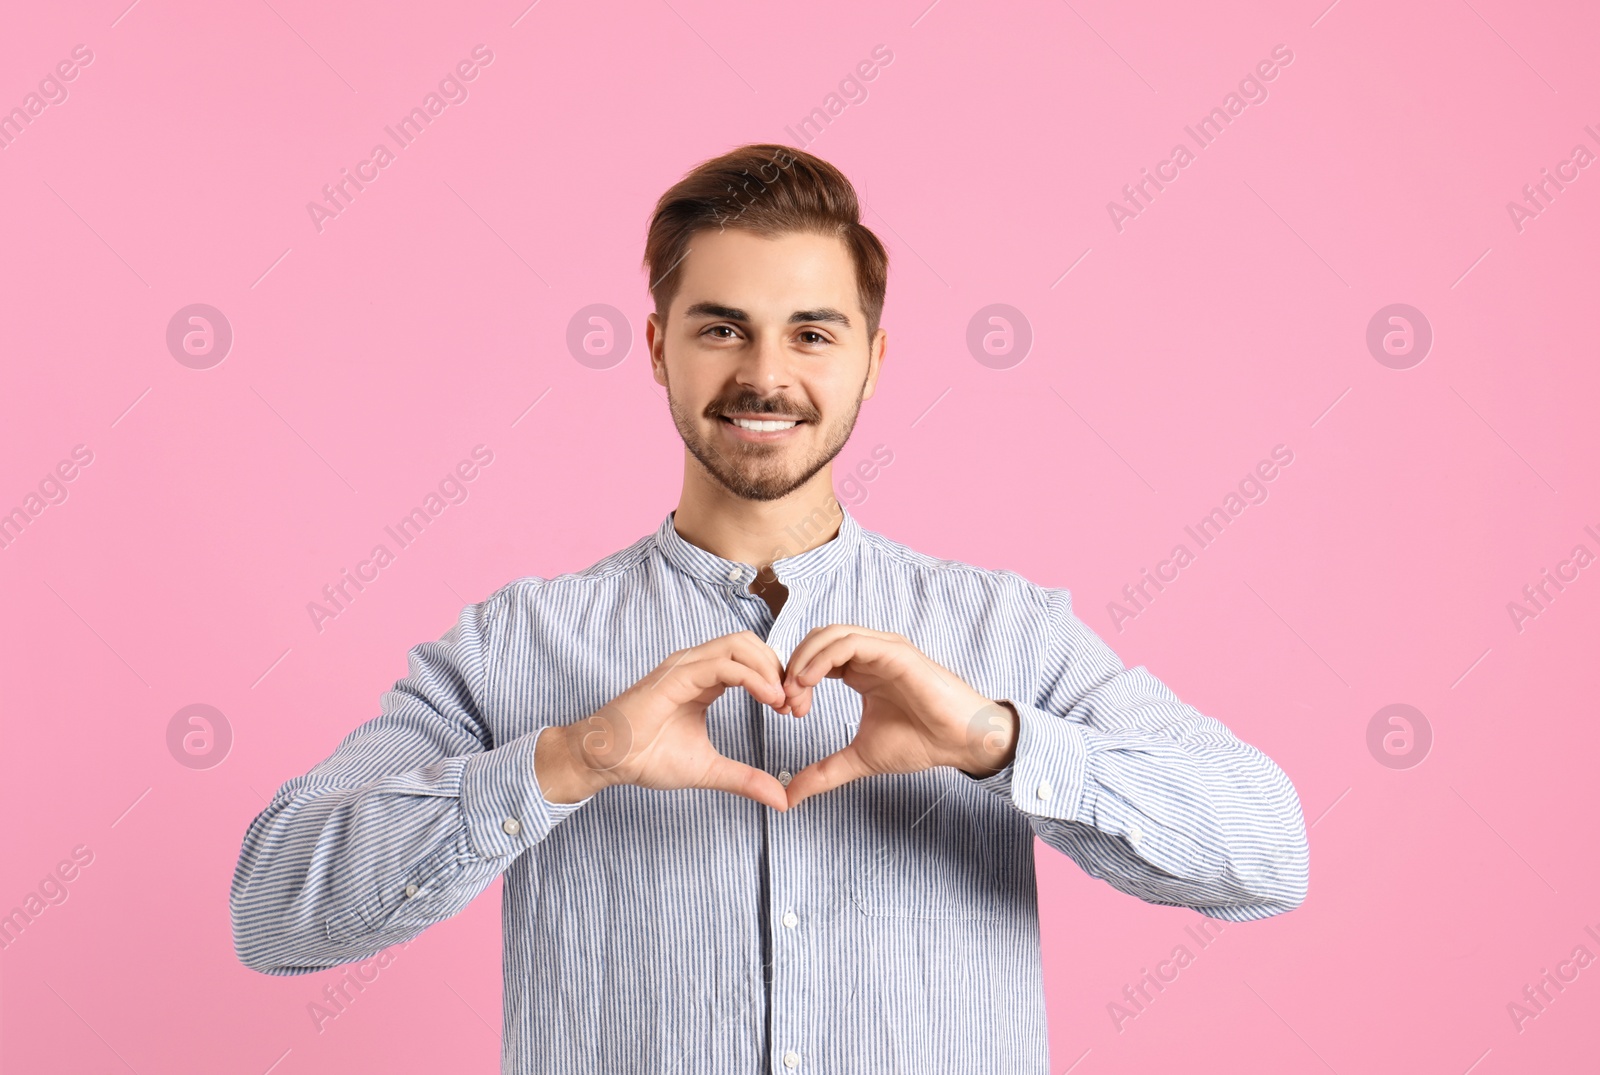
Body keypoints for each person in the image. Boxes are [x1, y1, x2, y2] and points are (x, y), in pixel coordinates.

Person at [230, 142, 1309, 1073]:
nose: (764, 374)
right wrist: (574, 757)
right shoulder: (515, 646)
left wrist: (993, 740)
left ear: (873, 362)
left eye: (811, 332)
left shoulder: (1008, 635)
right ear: (656, 347)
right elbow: (274, 910)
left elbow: (1267, 852)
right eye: (721, 328)